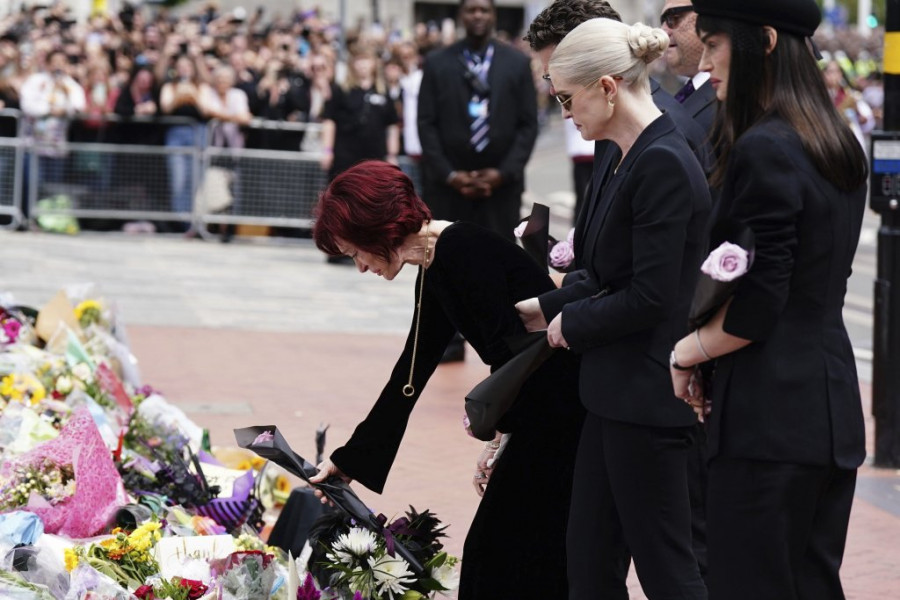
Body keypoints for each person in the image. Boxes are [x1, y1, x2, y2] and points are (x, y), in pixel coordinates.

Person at [310, 160, 584, 600]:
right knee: (518, 558)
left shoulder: (461, 251)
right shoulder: (437, 261)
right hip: (543, 415)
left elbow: (522, 357)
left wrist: (501, 435)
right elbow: (411, 371)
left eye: (355, 252)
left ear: (376, 229)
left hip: (561, 418)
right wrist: (348, 462)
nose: (360, 267)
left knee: (505, 558)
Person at [668, 1, 868, 598]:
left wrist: (686, 353)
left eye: (714, 45)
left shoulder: (766, 146)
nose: (705, 63)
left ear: (767, 41)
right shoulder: (837, 140)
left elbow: (760, 304)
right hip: (828, 409)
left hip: (767, 419)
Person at [516, 18, 709, 600]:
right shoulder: (624, 153)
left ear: (606, 87)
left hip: (648, 398)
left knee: (666, 570)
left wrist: (568, 324)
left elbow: (653, 295)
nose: (564, 114)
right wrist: (544, 305)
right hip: (613, 393)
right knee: (590, 563)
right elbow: (604, 274)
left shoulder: (663, 159)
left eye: (566, 99)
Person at [417, 0, 538, 241]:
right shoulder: (436, 62)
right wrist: (450, 175)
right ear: (461, 15)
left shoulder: (517, 63)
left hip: (501, 190)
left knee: (499, 258)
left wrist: (503, 173)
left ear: (494, 15)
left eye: (484, 10)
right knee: (448, 258)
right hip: (448, 189)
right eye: (471, 10)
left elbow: (528, 124)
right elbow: (426, 123)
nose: (478, 16)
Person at [660, 0, 717, 133]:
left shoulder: (732, 95)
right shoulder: (688, 91)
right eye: (663, 21)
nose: (663, 32)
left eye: (673, 18)